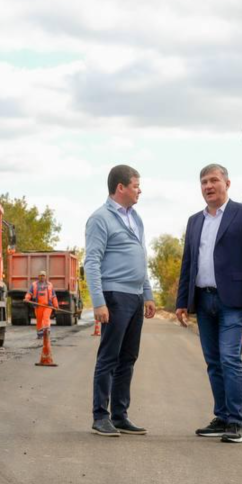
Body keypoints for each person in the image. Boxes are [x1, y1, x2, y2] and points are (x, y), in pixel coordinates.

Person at [175, 164, 242, 444]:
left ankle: (237, 423)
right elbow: (188, 263)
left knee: (229, 358)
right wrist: (182, 302)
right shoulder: (195, 221)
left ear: (227, 183)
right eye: (204, 182)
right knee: (213, 361)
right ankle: (222, 417)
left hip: (233, 301)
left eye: (214, 180)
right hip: (203, 300)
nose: (208, 186)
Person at [83, 165, 156, 437]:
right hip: (114, 296)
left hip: (135, 297)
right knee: (109, 357)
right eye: (136, 185)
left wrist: (147, 293)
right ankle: (100, 416)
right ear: (121, 187)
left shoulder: (136, 218)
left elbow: (141, 258)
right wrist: (98, 302)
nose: (140, 190)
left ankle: (120, 415)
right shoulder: (100, 219)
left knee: (128, 357)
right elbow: (92, 262)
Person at [27, 271, 59, 339]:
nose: (42, 277)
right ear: (38, 276)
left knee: (46, 317)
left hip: (48, 306)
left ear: (45, 276)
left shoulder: (50, 285)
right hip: (38, 306)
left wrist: (56, 305)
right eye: (41, 276)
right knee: (39, 320)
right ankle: (39, 334)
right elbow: (29, 293)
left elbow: (53, 296)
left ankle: (47, 331)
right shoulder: (34, 285)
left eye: (43, 276)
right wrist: (27, 298)